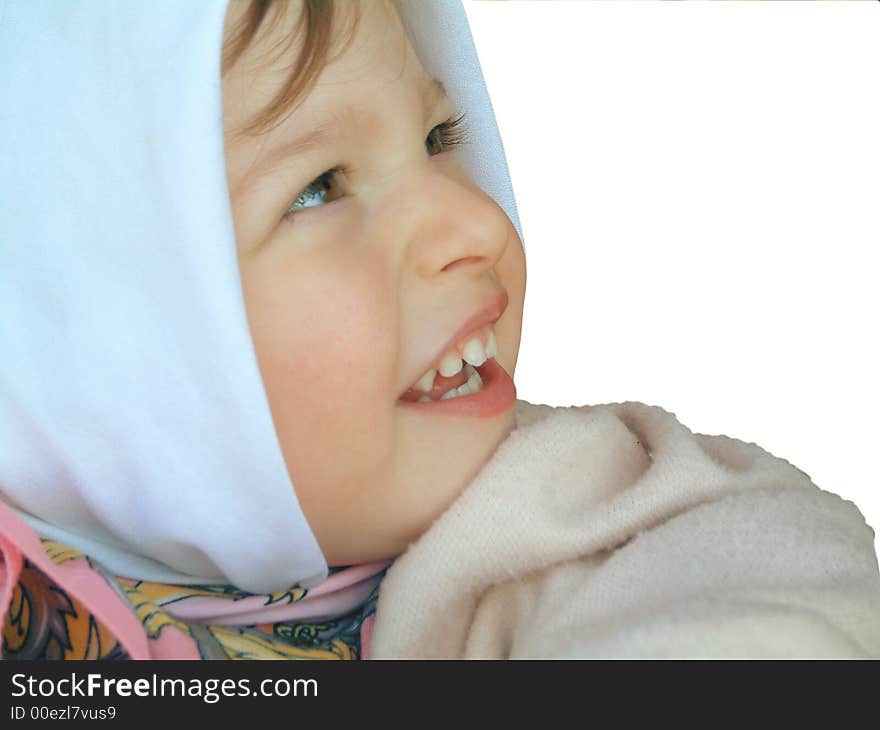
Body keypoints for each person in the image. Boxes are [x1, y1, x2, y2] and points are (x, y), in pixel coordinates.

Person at [0, 0, 877, 660]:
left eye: (438, 134)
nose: (477, 226)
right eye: (318, 188)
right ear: (93, 349)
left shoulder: (601, 515)